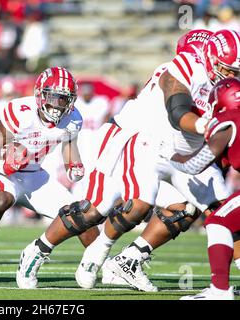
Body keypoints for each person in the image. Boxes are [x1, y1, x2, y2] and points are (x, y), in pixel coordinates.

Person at [16, 28, 234, 292]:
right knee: (99, 207)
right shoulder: (182, 67)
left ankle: (128, 260)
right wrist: (207, 126)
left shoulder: (224, 83)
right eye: (227, 68)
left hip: (172, 149)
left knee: (186, 209)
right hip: (129, 137)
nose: (231, 75)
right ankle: (37, 250)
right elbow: (179, 110)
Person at [0, 66, 100, 289]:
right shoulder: (20, 111)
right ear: (41, 94)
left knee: (81, 216)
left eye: (64, 99)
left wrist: (74, 164)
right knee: (3, 200)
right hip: (3, 173)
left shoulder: (73, 119)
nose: (58, 104)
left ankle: (96, 264)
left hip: (35, 175)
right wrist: (6, 164)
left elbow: (69, 146)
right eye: (53, 97)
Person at [169, 78, 240, 300]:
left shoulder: (229, 119)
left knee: (218, 222)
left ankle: (219, 291)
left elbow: (194, 164)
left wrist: (173, 159)